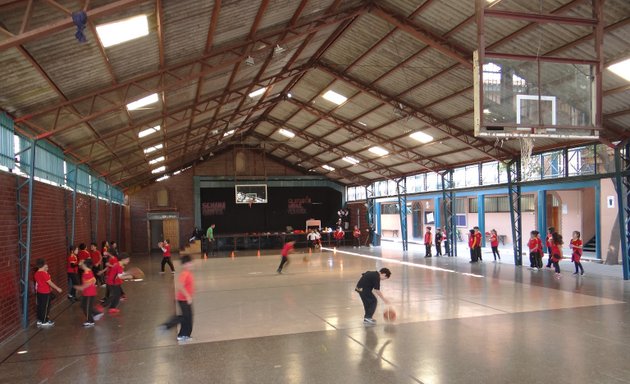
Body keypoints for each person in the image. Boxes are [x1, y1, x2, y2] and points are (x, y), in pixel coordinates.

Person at [160, 255, 195, 342]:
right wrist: (187, 295)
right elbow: (180, 285)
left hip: (184, 299)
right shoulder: (185, 273)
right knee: (185, 318)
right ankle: (168, 327)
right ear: (184, 264)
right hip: (183, 299)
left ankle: (184, 334)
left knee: (188, 317)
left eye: (191, 263)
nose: (191, 264)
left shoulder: (187, 273)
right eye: (189, 263)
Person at [74, 259, 103, 327]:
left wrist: (81, 287)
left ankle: (90, 321)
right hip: (86, 293)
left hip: (89, 293)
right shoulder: (87, 271)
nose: (79, 263)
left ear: (84, 264)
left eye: (81, 262)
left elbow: (91, 282)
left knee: (87, 307)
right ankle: (96, 313)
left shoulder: (87, 273)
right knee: (83, 305)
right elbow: (94, 280)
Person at [34, 258, 62, 327]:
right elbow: (50, 283)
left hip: (39, 292)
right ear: (43, 265)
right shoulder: (44, 274)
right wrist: (57, 288)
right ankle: (44, 321)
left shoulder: (36, 273)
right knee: (45, 307)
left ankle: (40, 320)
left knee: (40, 306)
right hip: (45, 292)